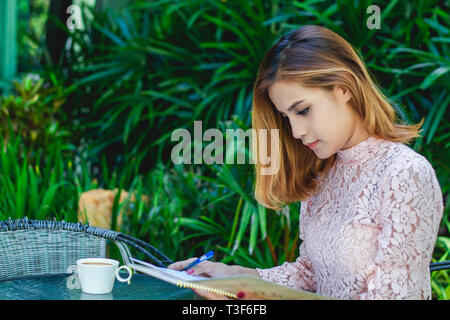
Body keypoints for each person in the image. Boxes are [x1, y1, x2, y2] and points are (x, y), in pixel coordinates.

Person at [168, 25, 444, 300]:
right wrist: (236, 277)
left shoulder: (405, 173)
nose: (296, 131)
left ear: (344, 88)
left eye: (303, 110)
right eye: (287, 118)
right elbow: (310, 276)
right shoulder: (323, 174)